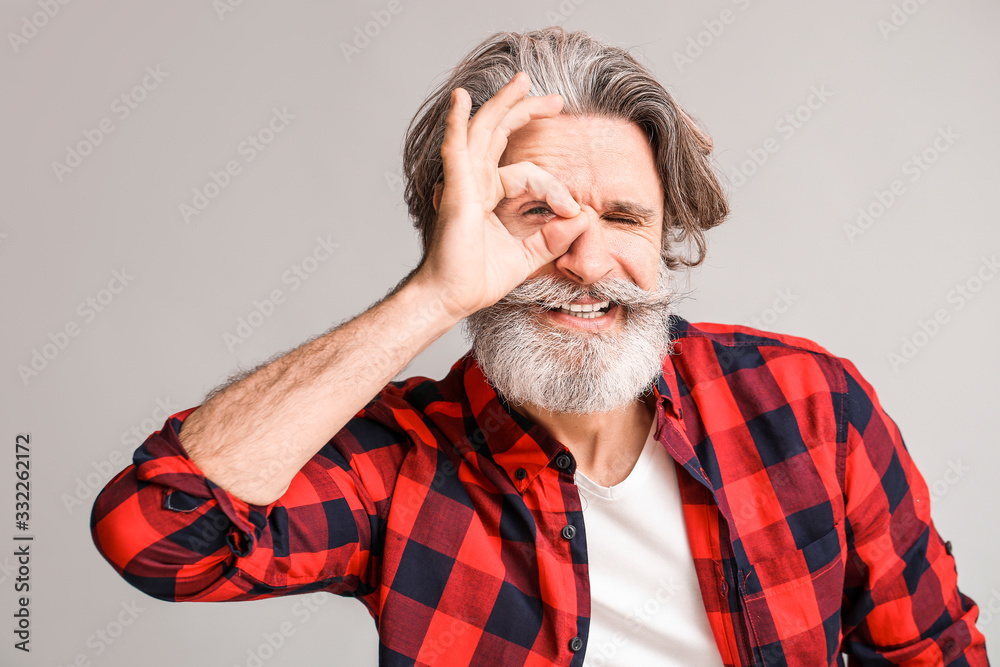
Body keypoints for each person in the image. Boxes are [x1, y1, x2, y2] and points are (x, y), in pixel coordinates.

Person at [91, 27, 988, 666]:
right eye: (534, 215)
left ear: (671, 235)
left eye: (627, 218)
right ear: (459, 230)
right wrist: (431, 296)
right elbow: (159, 531)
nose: (588, 261)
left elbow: (933, 653)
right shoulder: (405, 461)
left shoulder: (808, 402)